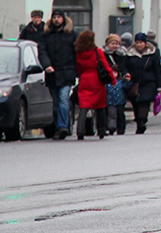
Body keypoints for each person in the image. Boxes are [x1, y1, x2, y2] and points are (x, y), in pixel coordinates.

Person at [38, 9, 78, 139]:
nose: (56, 19)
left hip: (67, 72)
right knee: (56, 102)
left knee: (64, 99)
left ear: (64, 19)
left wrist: (77, 71)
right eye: (55, 17)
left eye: (59, 17)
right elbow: (42, 52)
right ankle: (57, 127)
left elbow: (77, 52)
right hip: (52, 73)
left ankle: (63, 126)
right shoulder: (46, 35)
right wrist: (47, 65)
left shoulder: (72, 35)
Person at [73, 30, 116, 140]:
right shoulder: (97, 51)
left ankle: (80, 131)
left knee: (84, 106)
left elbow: (78, 67)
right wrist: (112, 79)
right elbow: (106, 66)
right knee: (100, 105)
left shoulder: (79, 52)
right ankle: (101, 130)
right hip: (96, 80)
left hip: (84, 79)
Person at [123, 32, 161, 134]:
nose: (139, 44)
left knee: (144, 102)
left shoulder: (152, 54)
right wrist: (126, 74)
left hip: (149, 82)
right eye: (137, 42)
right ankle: (138, 121)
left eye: (141, 42)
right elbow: (124, 66)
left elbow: (157, 69)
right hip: (134, 83)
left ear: (145, 43)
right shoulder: (129, 54)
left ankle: (142, 121)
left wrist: (160, 86)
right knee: (136, 103)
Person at [102, 34, 129, 136]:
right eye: (113, 43)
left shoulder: (122, 55)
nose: (115, 46)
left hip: (120, 82)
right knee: (109, 110)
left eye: (117, 43)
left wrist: (126, 75)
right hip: (107, 82)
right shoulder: (103, 54)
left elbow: (125, 67)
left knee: (120, 111)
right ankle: (109, 127)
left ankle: (121, 128)